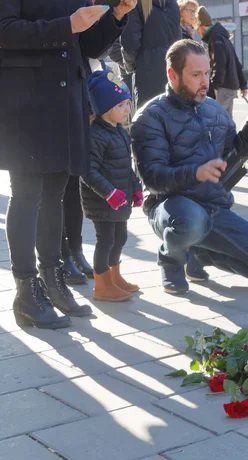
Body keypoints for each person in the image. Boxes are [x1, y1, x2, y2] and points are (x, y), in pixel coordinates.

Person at [0, 1, 136, 329]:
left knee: (55, 191)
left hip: (66, 93)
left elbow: (90, 44)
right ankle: (26, 291)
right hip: (26, 95)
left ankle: (52, 280)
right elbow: (4, 30)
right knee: (26, 193)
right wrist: (67, 24)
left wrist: (116, 15)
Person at [131, 40, 248, 295]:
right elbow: (152, 178)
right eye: (196, 75)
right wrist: (195, 173)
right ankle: (171, 261)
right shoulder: (150, 117)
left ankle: (197, 256)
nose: (205, 82)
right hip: (171, 208)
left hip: (212, 207)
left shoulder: (214, 110)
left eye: (207, 74)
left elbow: (233, 156)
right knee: (191, 220)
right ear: (173, 75)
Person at [81, 70, 143, 302]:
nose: (127, 110)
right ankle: (102, 285)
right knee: (105, 241)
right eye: (121, 106)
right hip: (102, 200)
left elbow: (126, 166)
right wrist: (109, 192)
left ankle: (115, 277)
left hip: (120, 198)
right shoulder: (95, 135)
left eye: (127, 104)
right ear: (106, 109)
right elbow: (88, 171)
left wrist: (135, 187)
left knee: (120, 238)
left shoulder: (119, 132)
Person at [121, 0, 181, 110]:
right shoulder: (173, 4)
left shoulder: (135, 3)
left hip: (147, 71)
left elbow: (130, 43)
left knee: (149, 119)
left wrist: (130, 66)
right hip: (175, 71)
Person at [195, 7, 247, 118]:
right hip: (231, 85)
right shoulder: (223, 37)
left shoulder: (215, 38)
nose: (197, 32)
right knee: (226, 120)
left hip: (223, 86)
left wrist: (214, 85)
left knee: (217, 120)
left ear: (200, 25)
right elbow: (236, 62)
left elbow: (219, 64)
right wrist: (243, 84)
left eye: (196, 28)